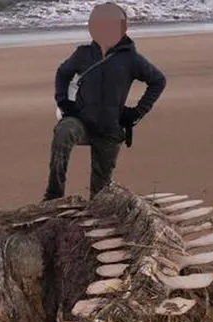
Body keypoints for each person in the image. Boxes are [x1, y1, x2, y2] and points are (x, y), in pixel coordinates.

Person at [42, 2, 167, 201]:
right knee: (63, 131)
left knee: (100, 195)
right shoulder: (82, 54)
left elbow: (158, 80)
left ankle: (96, 207)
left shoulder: (131, 59)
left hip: (110, 129)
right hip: (81, 121)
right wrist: (63, 102)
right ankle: (53, 195)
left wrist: (136, 112)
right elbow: (62, 73)